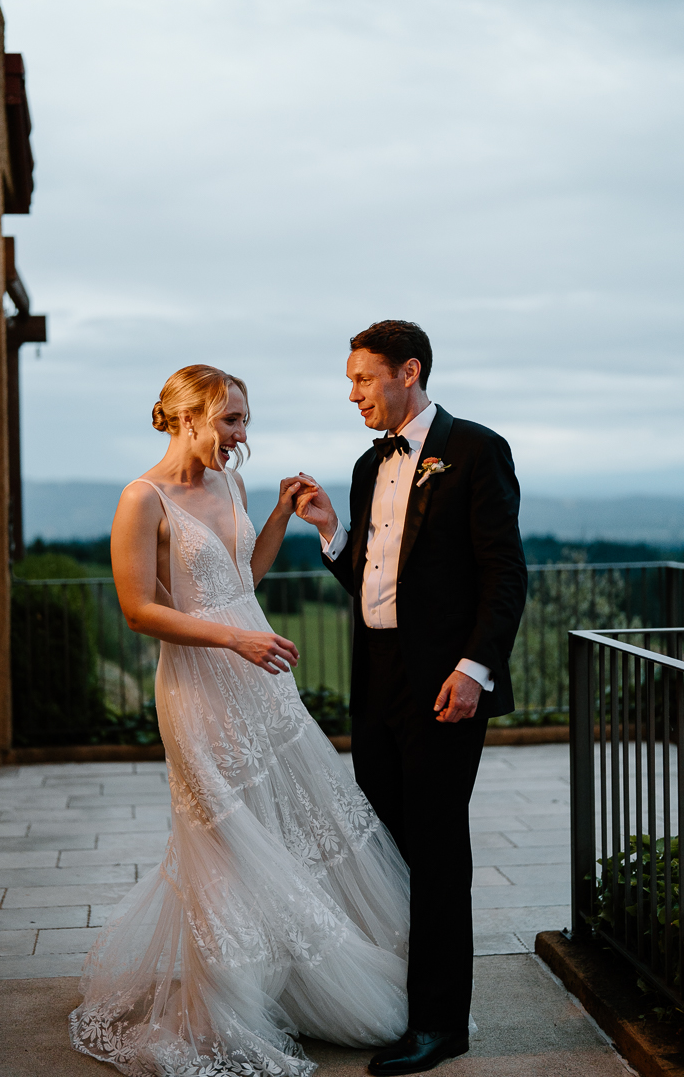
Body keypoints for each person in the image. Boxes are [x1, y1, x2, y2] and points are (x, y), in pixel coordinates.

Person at [70, 364, 411, 1077]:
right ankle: (224, 1015)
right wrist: (234, 638)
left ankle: (285, 985)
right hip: (198, 687)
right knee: (223, 843)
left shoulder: (230, 483)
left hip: (261, 682)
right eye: (230, 421)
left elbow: (238, 581)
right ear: (186, 417)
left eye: (244, 421)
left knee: (281, 825)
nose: (241, 437)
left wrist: (282, 517)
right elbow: (139, 610)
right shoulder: (143, 499)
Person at [295, 321, 528, 1076]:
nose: (353, 394)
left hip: (441, 687)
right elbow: (376, 586)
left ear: (409, 372)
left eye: (363, 379)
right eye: (350, 382)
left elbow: (504, 574)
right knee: (384, 846)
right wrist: (333, 536)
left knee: (433, 851)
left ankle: (439, 1024)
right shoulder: (368, 469)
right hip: (378, 681)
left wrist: (474, 668)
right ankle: (391, 1001)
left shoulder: (475, 450)